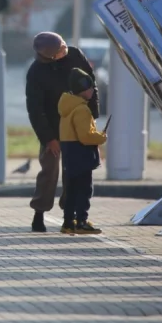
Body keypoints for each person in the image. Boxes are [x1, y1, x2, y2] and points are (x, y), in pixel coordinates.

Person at [26, 32, 99, 233]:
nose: (65, 50)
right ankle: (39, 214)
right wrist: (49, 139)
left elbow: (90, 82)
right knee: (49, 172)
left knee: (74, 172)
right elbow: (35, 109)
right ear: (49, 55)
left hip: (78, 123)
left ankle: (71, 215)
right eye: (60, 50)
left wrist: (92, 115)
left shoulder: (75, 55)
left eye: (64, 45)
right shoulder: (36, 72)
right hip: (52, 127)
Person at [58, 68, 106, 234]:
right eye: (91, 88)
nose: (93, 91)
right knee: (84, 190)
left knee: (71, 190)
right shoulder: (82, 110)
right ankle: (82, 221)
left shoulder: (67, 107)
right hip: (81, 155)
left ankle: (68, 222)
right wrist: (101, 138)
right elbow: (86, 136)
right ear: (83, 89)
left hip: (69, 154)